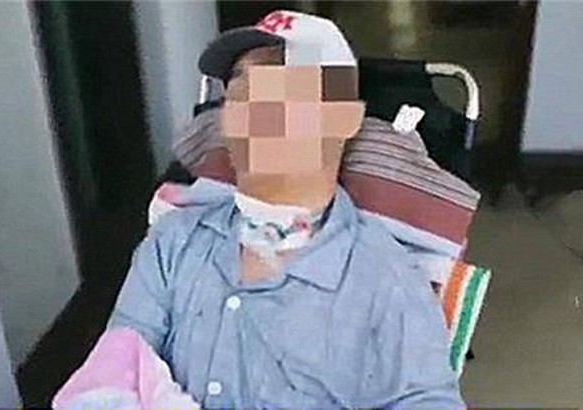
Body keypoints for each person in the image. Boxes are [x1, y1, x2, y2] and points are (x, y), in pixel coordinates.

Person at [108, 10, 465, 409]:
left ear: (343, 117)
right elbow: (111, 377)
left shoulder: (387, 284)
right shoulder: (173, 243)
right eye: (238, 93)